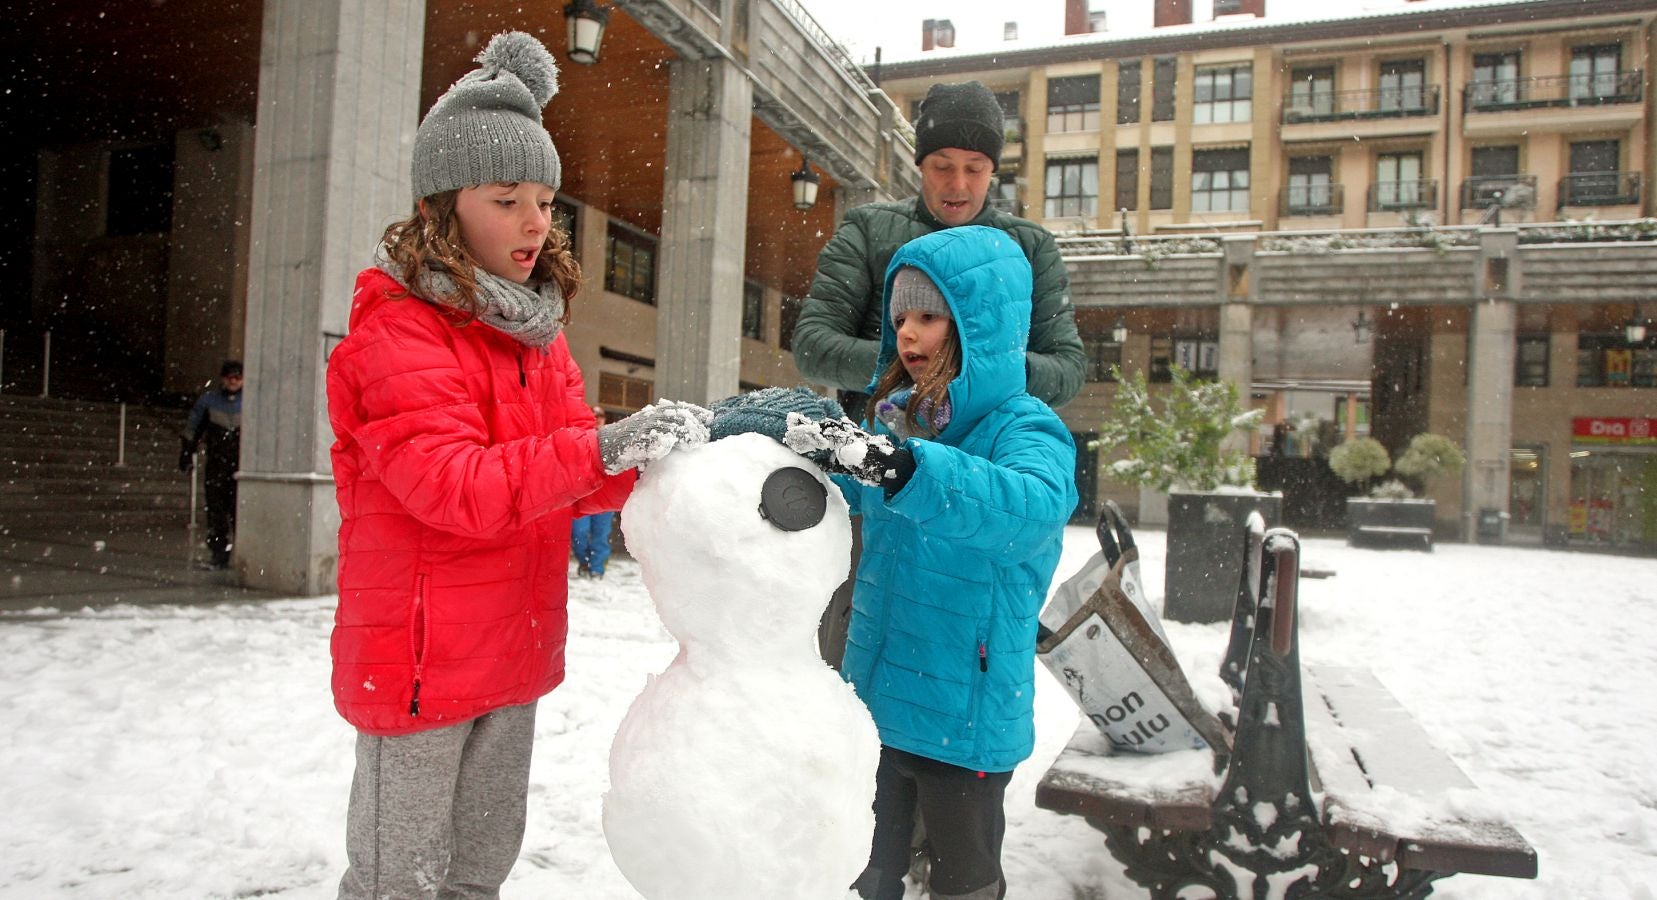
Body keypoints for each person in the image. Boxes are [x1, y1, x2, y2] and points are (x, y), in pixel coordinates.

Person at [324, 32, 709, 900]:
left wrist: (666, 454)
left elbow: (576, 467)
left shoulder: (536, 333)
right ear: (441, 207)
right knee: (399, 881)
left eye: (544, 198)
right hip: (423, 661)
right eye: (506, 199)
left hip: (513, 647)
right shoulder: (398, 331)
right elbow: (453, 487)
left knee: (475, 877)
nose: (536, 222)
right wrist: (601, 449)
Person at [793, 225, 1077, 900]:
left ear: (976, 325)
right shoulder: (898, 422)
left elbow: (1031, 510)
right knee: (867, 874)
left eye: (926, 315)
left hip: (964, 709)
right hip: (880, 699)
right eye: (897, 320)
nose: (906, 335)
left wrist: (908, 469)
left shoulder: (1023, 427)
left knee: (962, 883)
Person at [791, 79, 1086, 668]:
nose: (958, 185)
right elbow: (813, 344)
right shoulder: (870, 230)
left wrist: (978, 367)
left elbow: (1069, 366)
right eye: (943, 166)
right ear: (919, 164)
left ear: (993, 170)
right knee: (847, 651)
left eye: (975, 168)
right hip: (869, 482)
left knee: (945, 654)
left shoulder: (1028, 246)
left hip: (976, 485)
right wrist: (907, 369)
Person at [179, 359, 242, 570]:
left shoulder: (249, 402)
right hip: (217, 465)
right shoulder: (208, 401)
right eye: (230, 377)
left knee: (238, 513)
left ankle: (242, 557)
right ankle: (219, 555)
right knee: (216, 512)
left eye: (238, 377)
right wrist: (187, 453)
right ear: (223, 379)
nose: (233, 381)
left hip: (241, 467)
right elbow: (193, 429)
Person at [571, 405, 617, 579]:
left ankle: (597, 569)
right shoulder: (580, 436)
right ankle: (584, 562)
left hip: (606, 496)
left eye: (601, 415)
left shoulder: (612, 437)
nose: (597, 418)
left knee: (601, 534)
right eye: (594, 415)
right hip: (582, 495)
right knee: (579, 533)